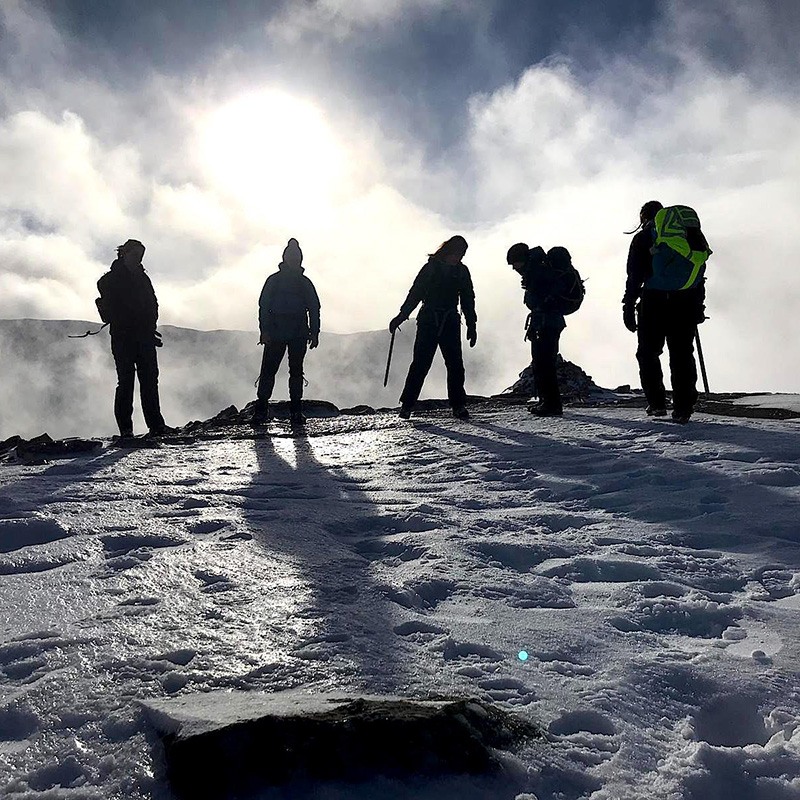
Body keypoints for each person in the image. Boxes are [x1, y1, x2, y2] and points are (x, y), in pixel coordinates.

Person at [622, 201, 706, 423]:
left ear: (644, 217)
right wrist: (698, 306)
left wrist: (628, 305)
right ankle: (683, 407)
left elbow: (635, 275)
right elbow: (699, 275)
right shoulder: (687, 236)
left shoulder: (643, 238)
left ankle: (657, 404)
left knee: (648, 353)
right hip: (685, 302)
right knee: (681, 353)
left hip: (654, 302)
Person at [389, 235, 477, 420]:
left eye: (462, 254)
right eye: (458, 253)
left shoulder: (459, 271)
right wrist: (402, 315)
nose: (459, 257)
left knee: (454, 365)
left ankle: (458, 405)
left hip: (446, 321)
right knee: (422, 363)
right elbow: (415, 293)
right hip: (432, 320)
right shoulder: (432, 268)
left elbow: (468, 299)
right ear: (449, 251)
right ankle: (407, 405)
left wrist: (471, 324)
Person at [97, 239, 170, 437]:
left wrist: (149, 325)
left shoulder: (137, 278)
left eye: (140, 256)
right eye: (135, 255)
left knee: (148, 381)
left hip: (141, 336)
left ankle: (155, 426)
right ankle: (127, 430)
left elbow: (153, 303)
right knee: (127, 382)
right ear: (125, 254)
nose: (138, 259)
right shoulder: (111, 280)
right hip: (125, 337)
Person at [252, 238, 321, 426]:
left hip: (288, 333)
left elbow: (314, 308)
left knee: (284, 371)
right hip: (285, 333)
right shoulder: (302, 282)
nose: (294, 260)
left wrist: (314, 332)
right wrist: (264, 330)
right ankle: (283, 411)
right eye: (293, 257)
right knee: (277, 371)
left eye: (296, 257)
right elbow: (313, 308)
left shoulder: (275, 280)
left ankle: (280, 411)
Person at [506, 243, 566, 416]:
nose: (514, 268)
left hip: (545, 321)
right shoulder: (540, 268)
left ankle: (550, 404)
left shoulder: (537, 271)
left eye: (514, 263)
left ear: (521, 260)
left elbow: (536, 299)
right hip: (550, 321)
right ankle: (548, 402)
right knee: (544, 362)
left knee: (543, 362)